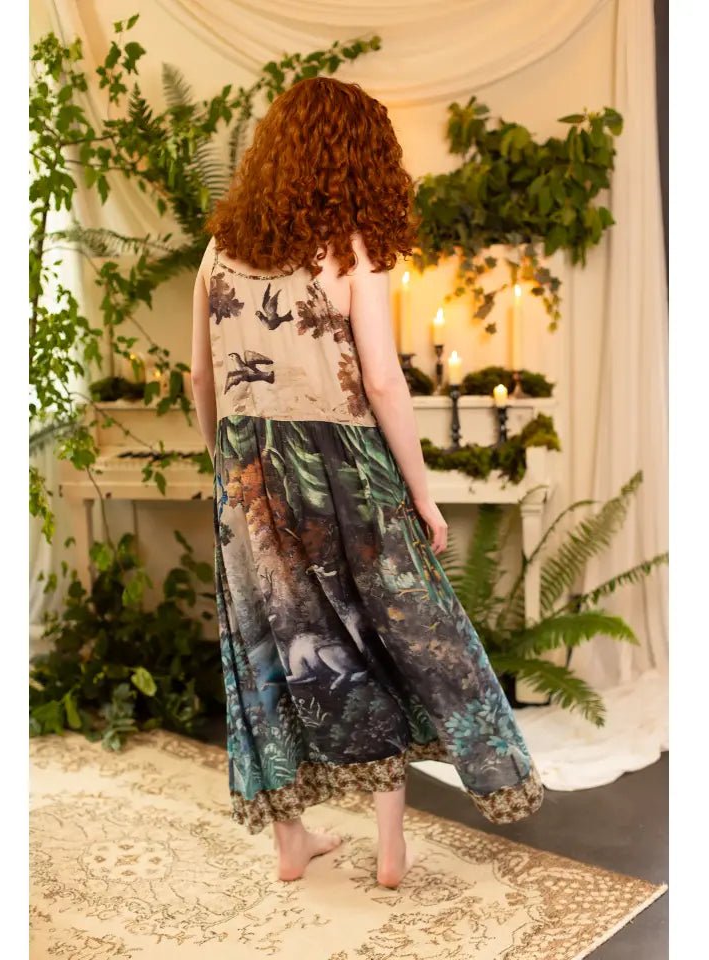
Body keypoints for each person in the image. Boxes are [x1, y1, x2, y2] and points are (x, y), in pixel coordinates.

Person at [190, 76, 543, 889]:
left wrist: (228, 469)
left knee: (267, 649)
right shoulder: (350, 249)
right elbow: (383, 381)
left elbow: (201, 379)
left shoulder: (218, 251)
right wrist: (421, 492)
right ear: (358, 157)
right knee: (379, 632)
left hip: (246, 474)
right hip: (344, 468)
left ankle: (290, 844)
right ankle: (390, 850)